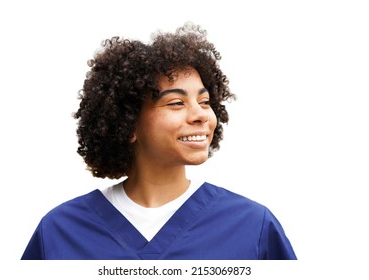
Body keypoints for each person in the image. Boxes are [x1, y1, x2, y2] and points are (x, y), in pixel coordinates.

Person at [21, 23, 297, 260]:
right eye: (177, 102)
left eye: (204, 101)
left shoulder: (251, 226)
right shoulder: (60, 231)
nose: (201, 115)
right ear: (128, 124)